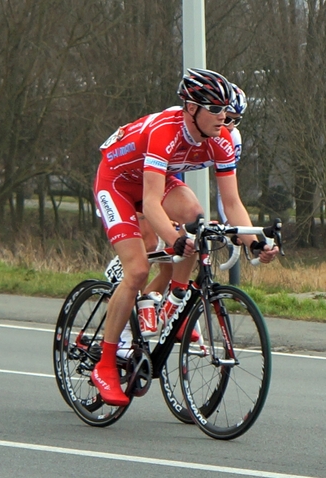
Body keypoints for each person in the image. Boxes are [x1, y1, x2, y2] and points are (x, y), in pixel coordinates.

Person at [92, 68, 279, 406]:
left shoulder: (222, 138)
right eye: (216, 109)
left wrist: (255, 241)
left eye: (226, 110)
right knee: (136, 270)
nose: (224, 117)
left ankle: (175, 306)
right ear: (191, 109)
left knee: (198, 222)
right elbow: (149, 202)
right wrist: (173, 239)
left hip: (158, 183)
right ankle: (105, 365)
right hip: (117, 183)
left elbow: (232, 202)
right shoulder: (166, 130)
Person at [217, 83, 247, 223]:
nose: (231, 126)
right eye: (227, 119)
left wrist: (230, 224)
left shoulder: (233, 137)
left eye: (236, 120)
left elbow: (226, 193)